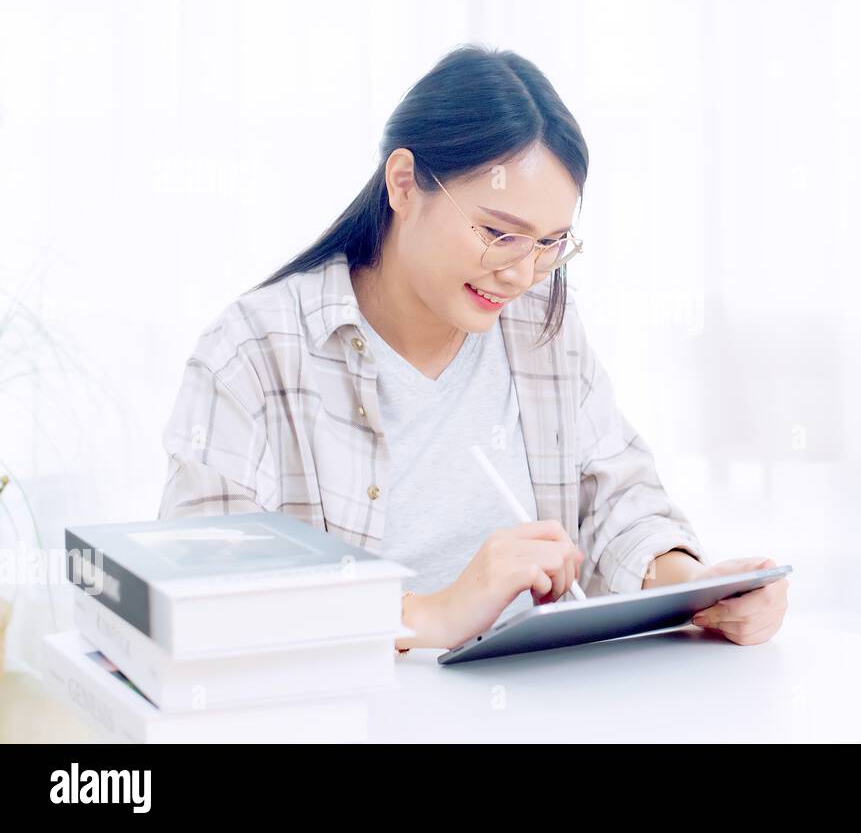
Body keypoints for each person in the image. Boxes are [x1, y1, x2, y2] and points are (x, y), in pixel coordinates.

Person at [157, 45, 788, 651]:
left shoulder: (543, 329)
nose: (521, 275)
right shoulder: (254, 352)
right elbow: (202, 593)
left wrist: (694, 587)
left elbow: (618, 503)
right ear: (404, 183)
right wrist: (433, 613)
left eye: (550, 244)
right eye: (498, 233)